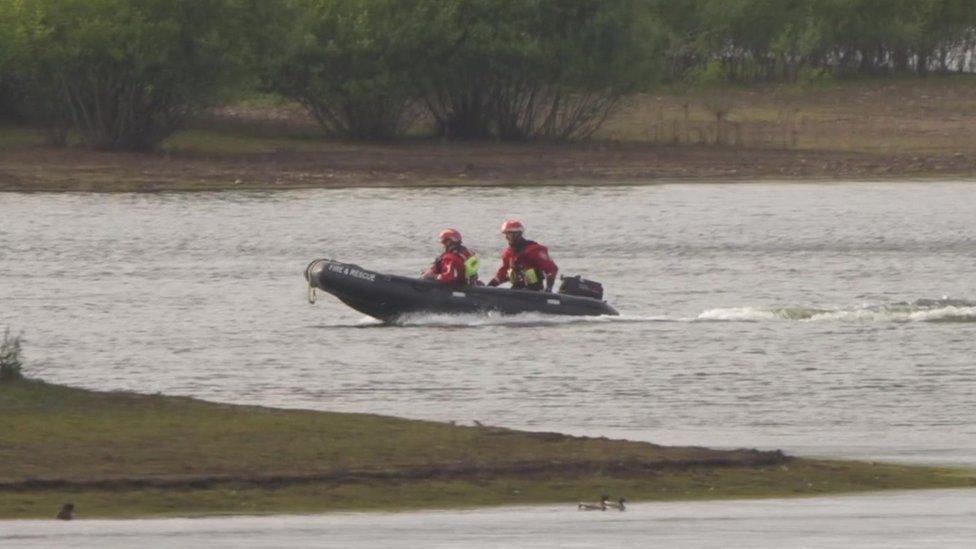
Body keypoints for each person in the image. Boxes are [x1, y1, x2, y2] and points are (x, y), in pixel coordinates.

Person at [488, 220, 558, 291]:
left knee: (528, 271)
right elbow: (502, 274)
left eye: (509, 234)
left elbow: (551, 269)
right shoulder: (508, 253)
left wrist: (549, 288)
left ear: (517, 234)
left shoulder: (534, 250)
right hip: (517, 289)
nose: (506, 237)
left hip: (534, 290)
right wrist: (489, 286)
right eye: (505, 234)